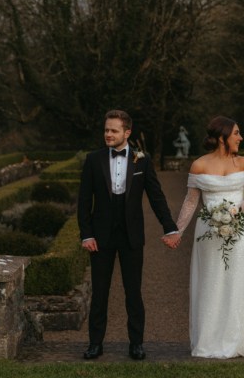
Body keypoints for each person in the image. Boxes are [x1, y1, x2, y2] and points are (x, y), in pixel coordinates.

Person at [78, 110, 180, 360]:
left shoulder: (141, 160)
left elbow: (156, 196)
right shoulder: (93, 159)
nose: (108, 134)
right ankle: (95, 343)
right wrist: (86, 235)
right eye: (106, 130)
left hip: (131, 235)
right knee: (100, 292)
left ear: (127, 132)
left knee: (133, 291)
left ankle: (136, 344)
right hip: (100, 236)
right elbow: (83, 202)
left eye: (113, 130)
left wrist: (170, 226)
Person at [168, 116, 244, 358]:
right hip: (208, 233)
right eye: (236, 133)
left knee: (238, 281)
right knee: (212, 282)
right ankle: (210, 340)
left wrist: (237, 210)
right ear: (221, 138)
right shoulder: (199, 165)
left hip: (240, 231)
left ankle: (240, 339)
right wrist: (177, 231)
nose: (241, 137)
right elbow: (190, 202)